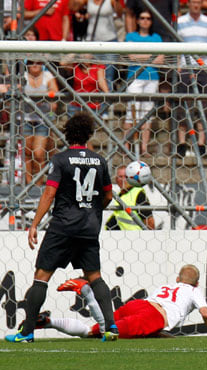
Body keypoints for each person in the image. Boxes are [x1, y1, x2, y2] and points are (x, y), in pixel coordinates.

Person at [5, 113, 118, 343]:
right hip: (88, 227)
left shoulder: (60, 160)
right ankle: (111, 327)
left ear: (66, 134)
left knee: (41, 277)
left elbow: (49, 192)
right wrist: (93, 211)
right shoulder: (100, 161)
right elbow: (108, 195)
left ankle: (27, 332)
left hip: (63, 226)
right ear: (89, 134)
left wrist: (34, 224)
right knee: (95, 277)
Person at [37, 265, 207, 338]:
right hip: (152, 315)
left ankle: (48, 322)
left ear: (178, 278)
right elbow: (205, 314)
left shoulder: (166, 286)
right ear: (196, 283)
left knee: (96, 329)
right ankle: (87, 291)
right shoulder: (194, 290)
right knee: (102, 332)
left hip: (139, 305)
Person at [175, 0, 207, 157]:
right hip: (186, 67)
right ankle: (182, 143)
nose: (196, 5)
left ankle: (201, 144)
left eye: (198, 2)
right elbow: (176, 47)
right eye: (193, 2)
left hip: (203, 68)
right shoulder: (180, 22)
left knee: (204, 106)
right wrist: (179, 66)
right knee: (183, 106)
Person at [123, 10, 163, 157]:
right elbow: (131, 57)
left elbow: (161, 60)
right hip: (135, 77)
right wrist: (150, 57)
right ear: (138, 20)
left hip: (152, 78)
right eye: (142, 18)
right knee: (131, 110)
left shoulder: (156, 37)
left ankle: (143, 148)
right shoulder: (130, 36)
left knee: (147, 114)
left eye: (148, 18)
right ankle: (126, 145)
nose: (145, 20)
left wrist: (140, 56)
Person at [22, 59, 58, 185]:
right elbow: (15, 90)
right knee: (26, 153)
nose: (35, 65)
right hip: (25, 119)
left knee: (38, 154)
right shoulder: (23, 76)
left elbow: (55, 93)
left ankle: (38, 184)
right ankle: (28, 182)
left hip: (42, 119)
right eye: (31, 62)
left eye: (38, 62)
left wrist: (43, 95)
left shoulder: (47, 76)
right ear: (27, 65)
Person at [105, 165, 155, 230]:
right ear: (116, 179)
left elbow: (150, 222)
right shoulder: (120, 194)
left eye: (125, 177)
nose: (123, 180)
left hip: (136, 236)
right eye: (120, 177)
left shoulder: (138, 194)